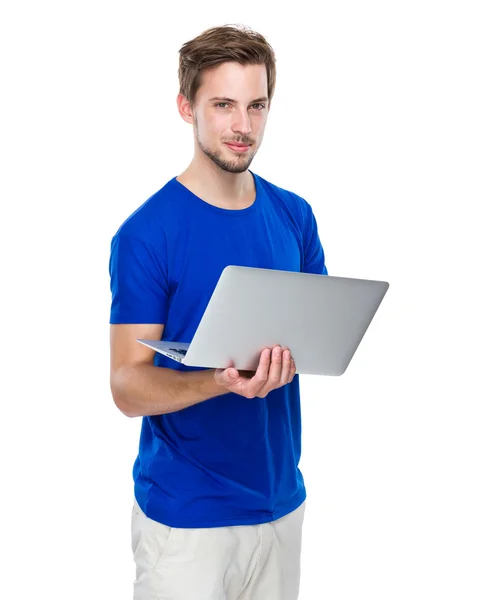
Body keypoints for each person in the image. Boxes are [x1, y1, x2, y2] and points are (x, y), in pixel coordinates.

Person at [109, 23, 328, 600]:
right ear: (187, 108)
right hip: (187, 519)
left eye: (257, 105)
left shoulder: (294, 217)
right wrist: (218, 382)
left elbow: (317, 335)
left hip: (282, 506)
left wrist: (287, 361)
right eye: (224, 105)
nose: (244, 126)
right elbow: (127, 386)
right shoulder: (147, 233)